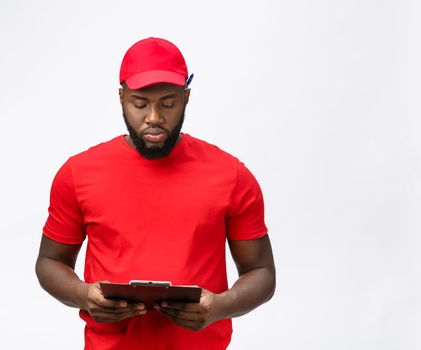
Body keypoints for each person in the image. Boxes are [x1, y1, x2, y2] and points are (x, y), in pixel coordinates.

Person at [35, 37, 276, 350]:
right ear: (121, 98)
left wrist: (221, 306)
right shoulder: (78, 173)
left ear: (186, 98)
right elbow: (50, 262)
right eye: (139, 103)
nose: (153, 117)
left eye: (168, 103)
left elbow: (261, 272)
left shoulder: (231, 175)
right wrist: (83, 295)